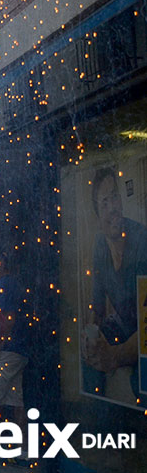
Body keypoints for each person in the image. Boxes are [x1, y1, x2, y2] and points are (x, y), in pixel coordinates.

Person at [82, 168, 147, 402]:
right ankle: (100, 432)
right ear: (97, 216)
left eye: (115, 197)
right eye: (105, 202)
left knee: (141, 381)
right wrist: (91, 338)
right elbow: (97, 307)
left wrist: (115, 355)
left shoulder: (142, 240)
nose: (113, 208)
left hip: (144, 327)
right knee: (87, 361)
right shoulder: (100, 246)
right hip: (122, 324)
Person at [0, 251, 30, 446]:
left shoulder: (5, 284)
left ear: (1, 262)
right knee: (15, 399)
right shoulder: (8, 283)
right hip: (18, 349)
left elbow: (7, 319)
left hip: (9, 350)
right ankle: (21, 448)